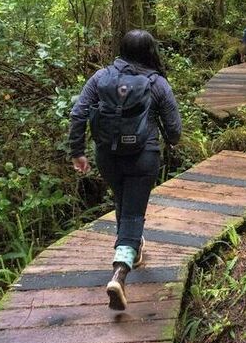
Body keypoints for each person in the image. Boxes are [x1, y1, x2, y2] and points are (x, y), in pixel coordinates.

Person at [68, 29, 182, 310]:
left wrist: (77, 151)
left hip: (108, 154)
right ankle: (120, 271)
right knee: (133, 211)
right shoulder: (157, 83)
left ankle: (134, 247)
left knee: (122, 200)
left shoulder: (100, 78)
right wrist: (169, 140)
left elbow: (79, 113)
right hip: (144, 155)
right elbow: (175, 130)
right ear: (150, 52)